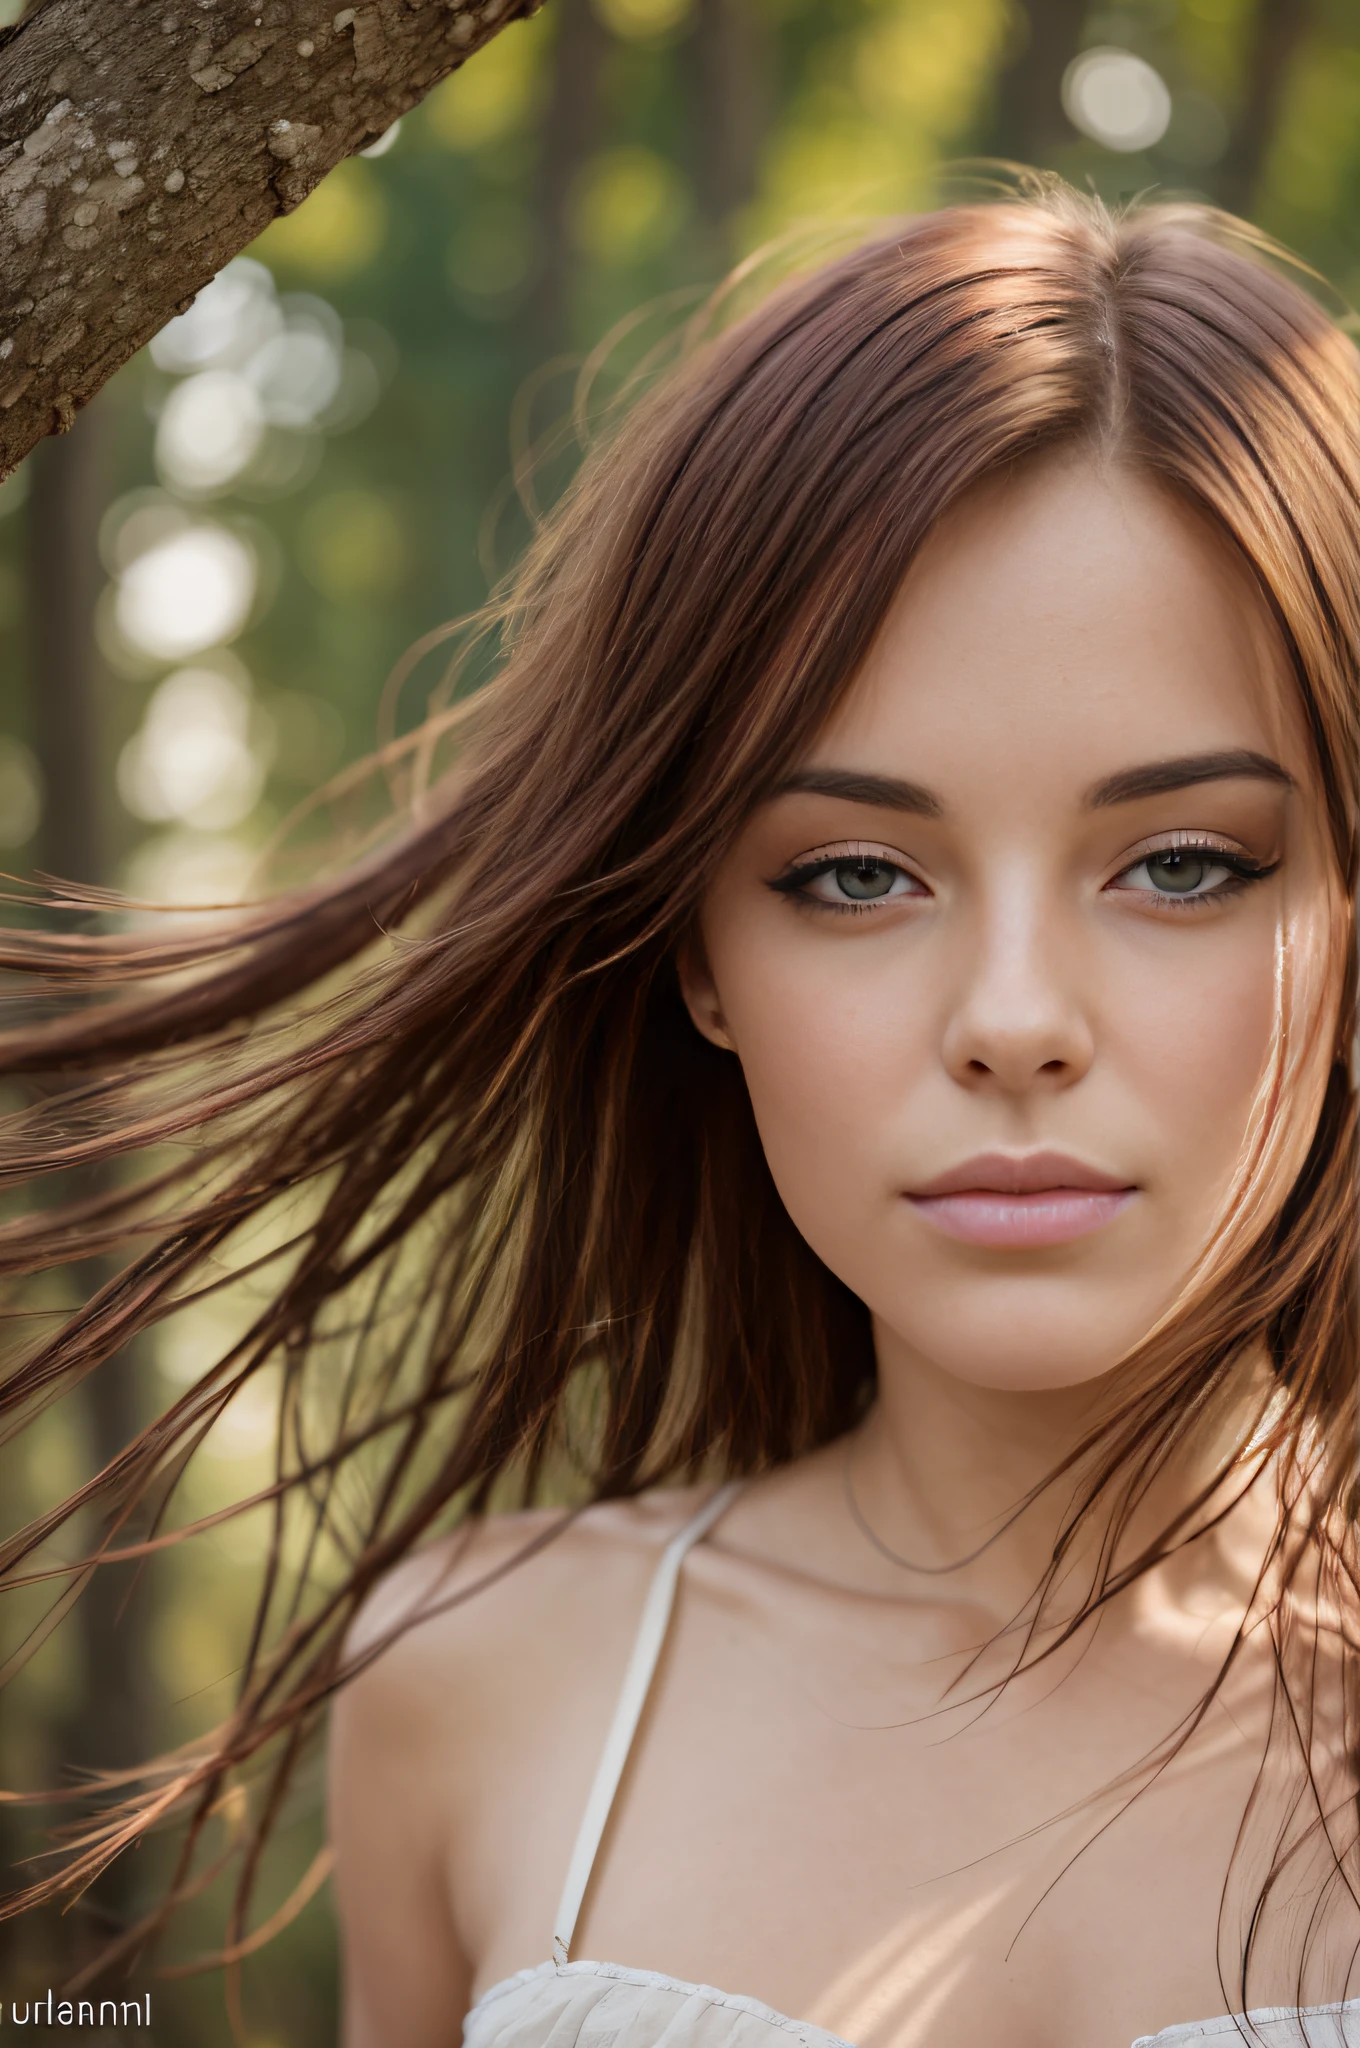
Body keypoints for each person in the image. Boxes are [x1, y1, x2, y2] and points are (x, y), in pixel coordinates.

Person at [4, 183, 1360, 2046]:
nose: (1017, 1023)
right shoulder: (478, 1675)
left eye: (1187, 864)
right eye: (859, 876)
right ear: (701, 953)